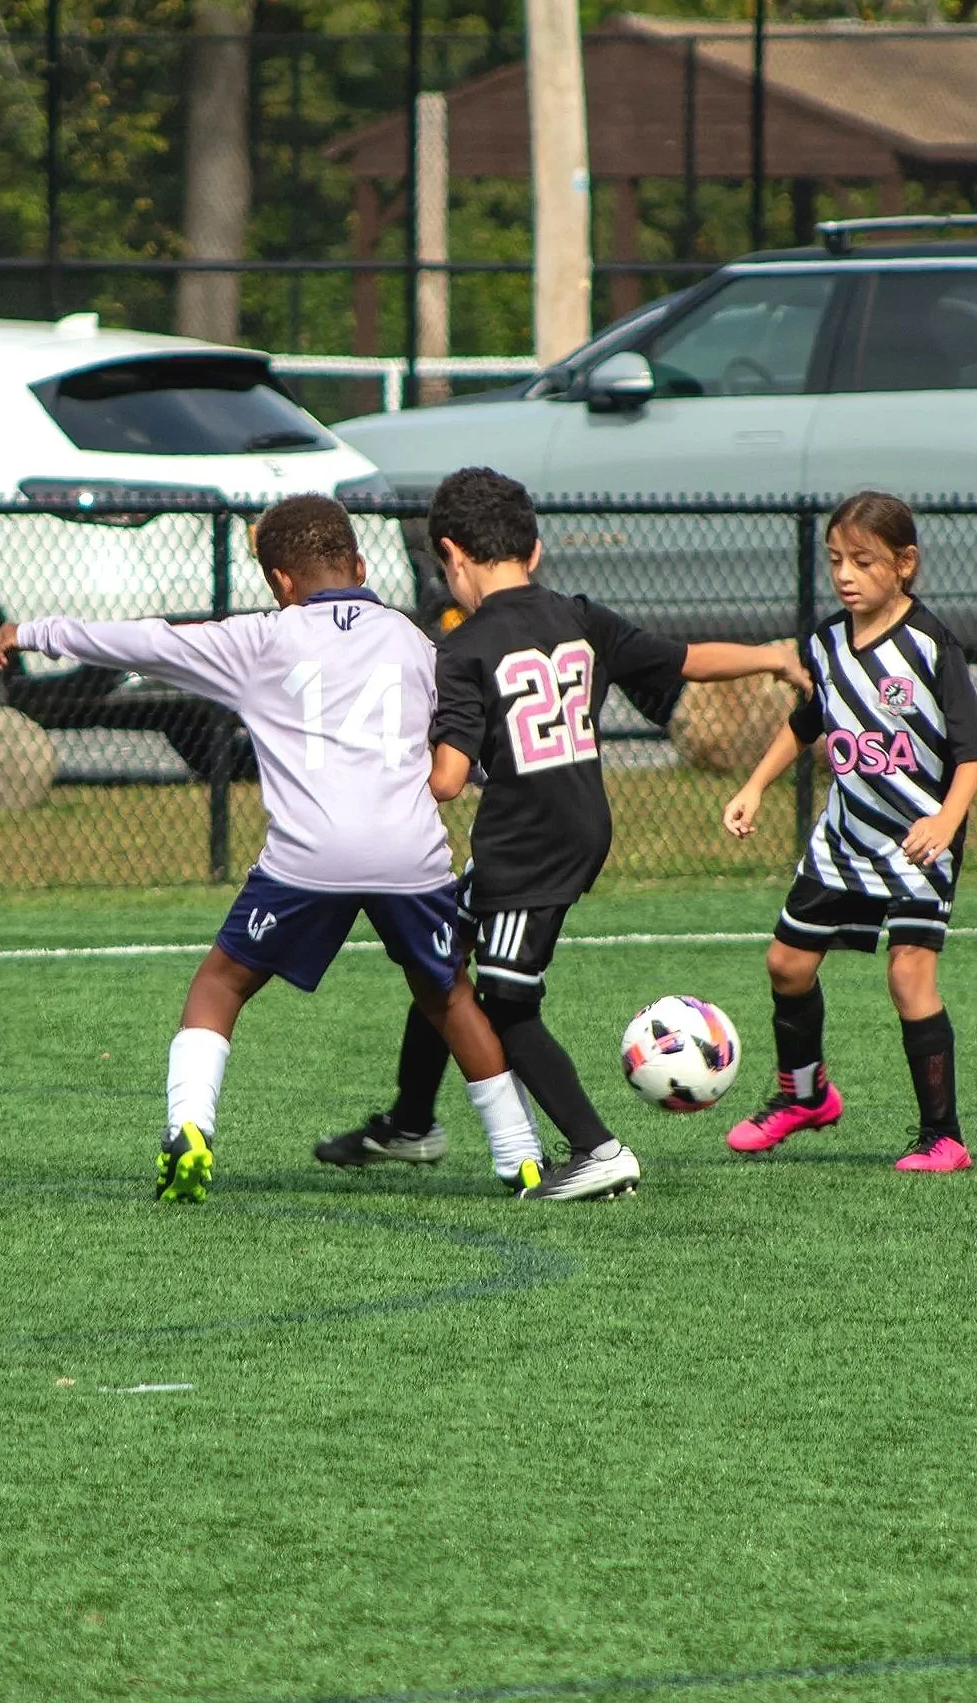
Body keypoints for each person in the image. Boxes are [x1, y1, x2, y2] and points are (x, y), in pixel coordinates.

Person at [0, 494, 542, 1204]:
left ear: (279, 581)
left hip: (308, 858)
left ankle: (188, 1129)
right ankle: (520, 1157)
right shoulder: (411, 639)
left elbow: (147, 642)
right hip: (409, 853)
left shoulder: (260, 640)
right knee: (447, 994)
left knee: (220, 985)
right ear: (361, 564)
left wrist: (35, 630)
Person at [317, 467, 806, 1202]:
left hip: (528, 840)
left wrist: (370, 767)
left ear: (450, 554)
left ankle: (598, 1148)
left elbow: (447, 778)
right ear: (535, 550)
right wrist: (774, 657)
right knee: (437, 962)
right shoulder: (578, 615)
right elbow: (685, 658)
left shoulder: (465, 646)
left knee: (507, 1002)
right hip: (573, 822)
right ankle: (413, 1120)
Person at [721, 491, 977, 1172]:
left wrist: (946, 819)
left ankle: (944, 1136)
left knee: (909, 977)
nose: (846, 574)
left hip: (916, 844)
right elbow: (807, 722)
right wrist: (755, 785)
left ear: (905, 564)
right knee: (786, 965)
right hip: (844, 839)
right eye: (836, 560)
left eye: (863, 561)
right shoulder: (823, 643)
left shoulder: (931, 646)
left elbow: (975, 750)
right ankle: (805, 1095)